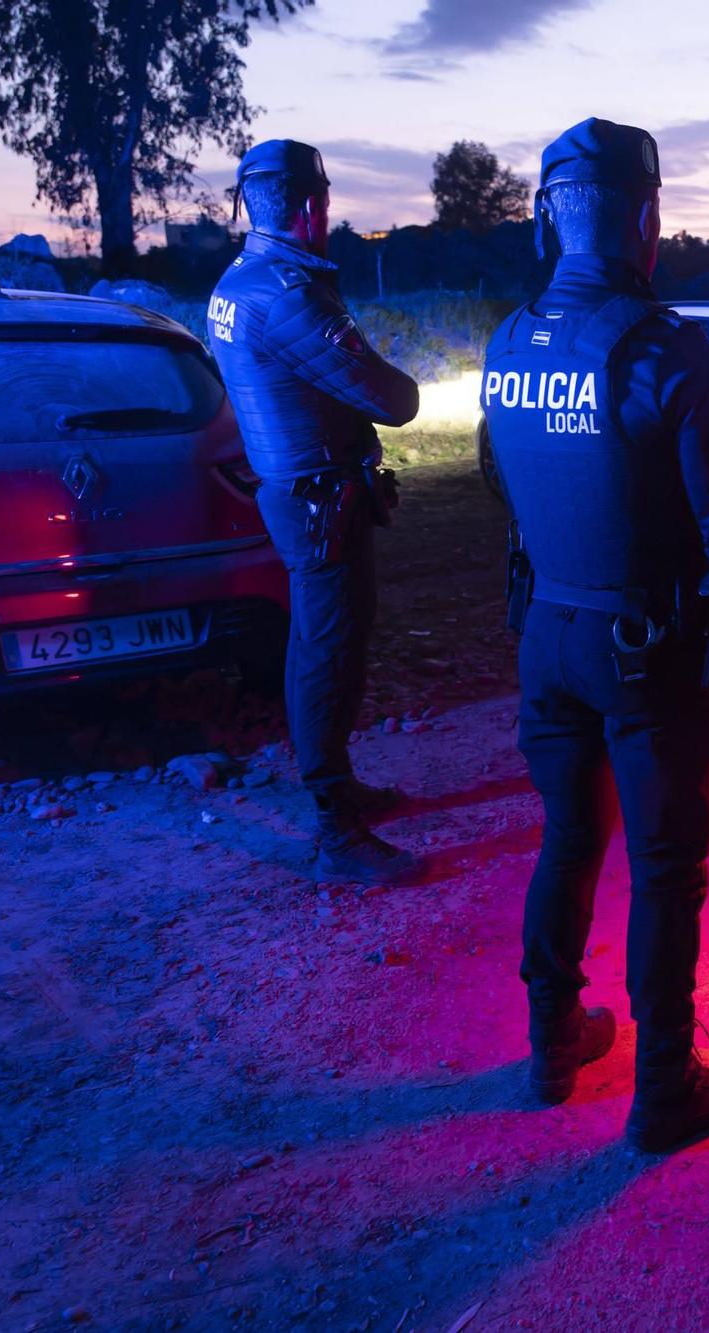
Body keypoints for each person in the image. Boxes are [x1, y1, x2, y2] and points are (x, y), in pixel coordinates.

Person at [483, 118, 709, 1153]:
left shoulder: (504, 347)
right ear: (647, 223)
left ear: (547, 222)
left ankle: (551, 1044)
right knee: (665, 869)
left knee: (568, 838)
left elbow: (508, 492)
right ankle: (664, 1088)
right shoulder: (670, 359)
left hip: (547, 638)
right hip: (648, 655)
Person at [208, 139, 424, 886]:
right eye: (325, 205)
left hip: (297, 493)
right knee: (328, 652)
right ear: (309, 208)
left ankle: (339, 787)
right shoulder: (290, 292)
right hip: (319, 499)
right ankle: (338, 828)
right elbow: (392, 399)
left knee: (321, 642)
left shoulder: (236, 282)